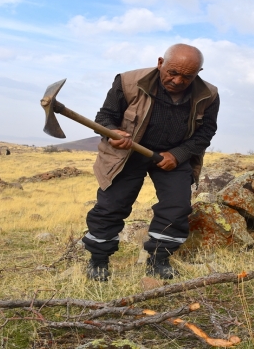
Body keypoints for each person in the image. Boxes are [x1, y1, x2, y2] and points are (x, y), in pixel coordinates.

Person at [83, 43, 220, 281]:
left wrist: (178, 155)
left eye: (187, 76)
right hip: (129, 153)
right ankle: (98, 260)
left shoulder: (208, 94)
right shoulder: (128, 82)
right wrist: (113, 133)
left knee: (177, 208)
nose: (178, 81)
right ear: (160, 63)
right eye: (172, 72)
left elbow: (205, 133)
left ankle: (159, 260)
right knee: (111, 206)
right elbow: (104, 117)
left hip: (172, 156)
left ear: (198, 73)